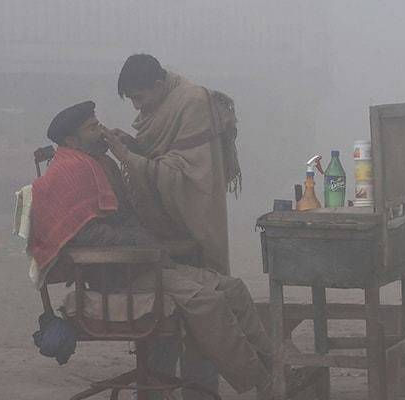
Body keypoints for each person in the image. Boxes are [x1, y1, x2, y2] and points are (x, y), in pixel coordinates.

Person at [28, 101, 289, 399]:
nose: (100, 130)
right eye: (91, 128)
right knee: (209, 301)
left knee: (233, 289)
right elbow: (90, 235)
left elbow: (128, 210)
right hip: (118, 274)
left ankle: (277, 369)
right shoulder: (71, 170)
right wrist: (145, 243)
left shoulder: (100, 163)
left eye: (98, 123)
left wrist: (129, 154)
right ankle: (262, 381)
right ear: (71, 141)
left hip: (143, 264)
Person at [103, 53, 241, 398]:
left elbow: (184, 175)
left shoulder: (193, 102)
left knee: (204, 309)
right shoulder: (165, 104)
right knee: (166, 311)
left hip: (194, 220)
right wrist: (135, 147)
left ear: (159, 86)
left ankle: (199, 391)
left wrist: (127, 157)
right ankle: (156, 389)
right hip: (164, 228)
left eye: (139, 98)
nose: (137, 109)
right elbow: (159, 156)